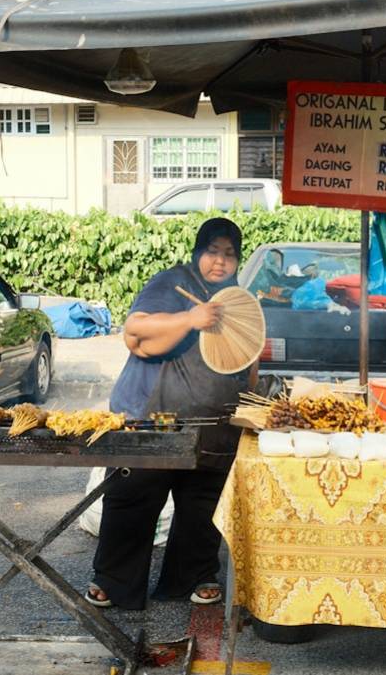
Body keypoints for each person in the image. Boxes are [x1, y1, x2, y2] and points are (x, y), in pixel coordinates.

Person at [86, 218, 253, 610]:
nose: (220, 261)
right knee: (133, 495)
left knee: (201, 501)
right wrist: (189, 319)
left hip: (211, 421)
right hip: (151, 413)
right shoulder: (172, 283)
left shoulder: (234, 297)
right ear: (198, 253)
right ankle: (113, 581)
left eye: (229, 254)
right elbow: (135, 330)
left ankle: (195, 575)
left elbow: (248, 353)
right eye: (213, 251)